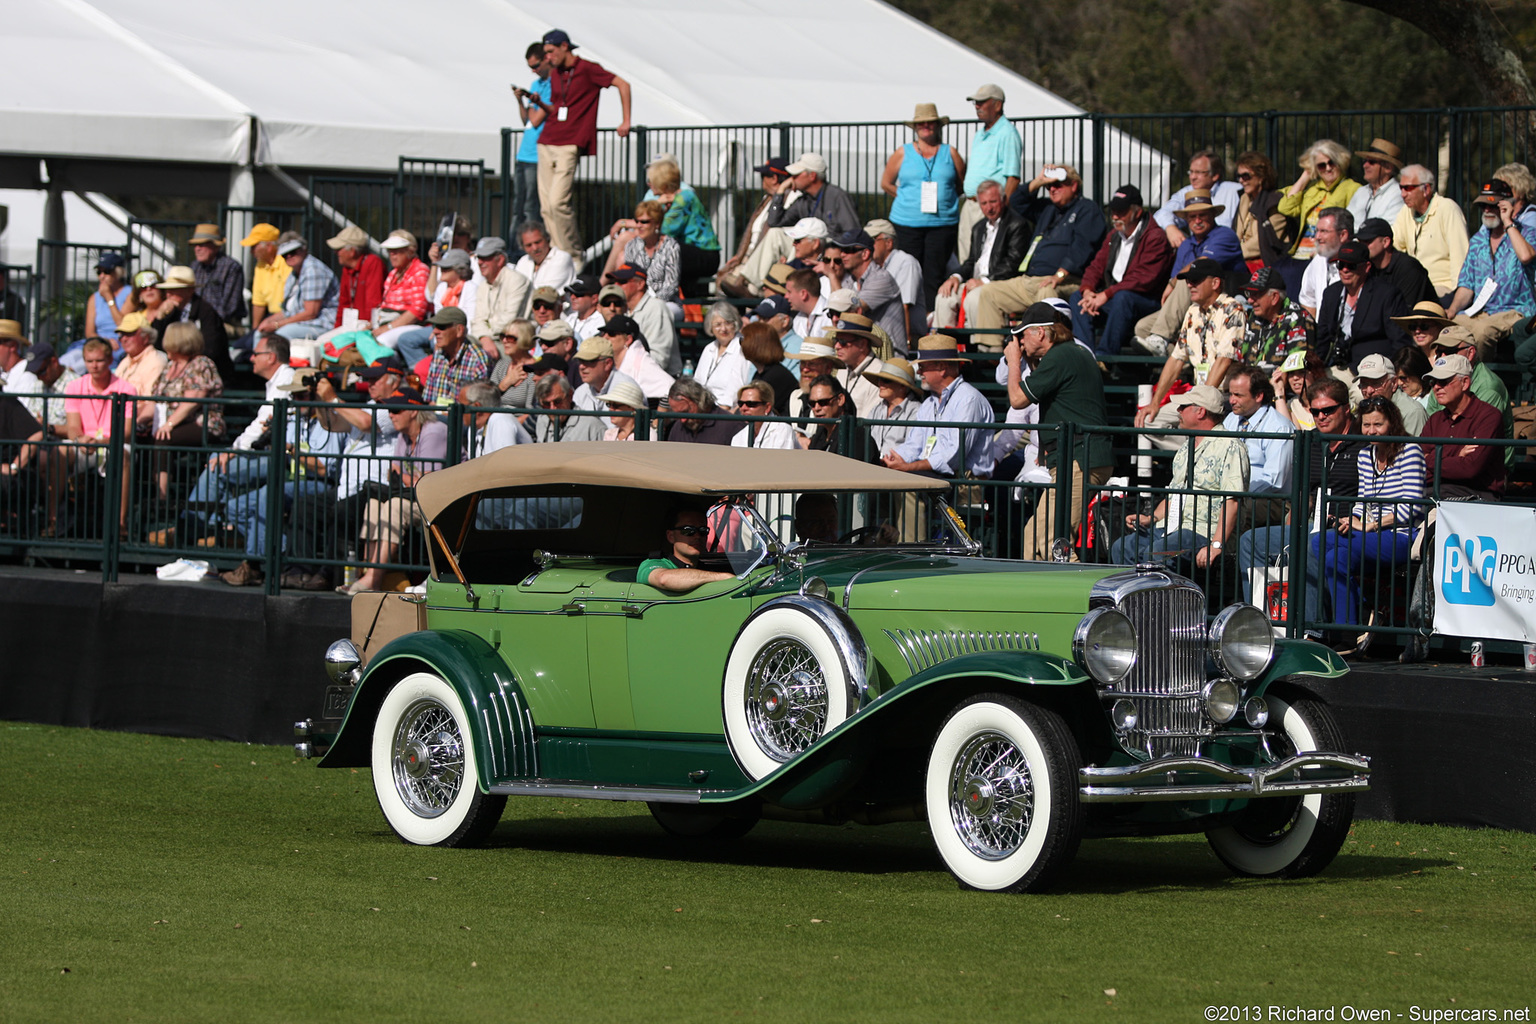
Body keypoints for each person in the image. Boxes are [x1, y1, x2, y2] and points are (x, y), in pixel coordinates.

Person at [1236, 377, 1365, 629]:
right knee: (1251, 541)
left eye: (1328, 410)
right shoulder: (1309, 441)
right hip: (1313, 523)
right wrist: (1292, 528)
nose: (1321, 416)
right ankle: (1262, 624)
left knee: (1310, 544)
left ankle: (1308, 631)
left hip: (1347, 528)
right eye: (1315, 411)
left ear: (1346, 408)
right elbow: (1303, 497)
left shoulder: (1365, 441)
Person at [1003, 303, 1113, 561]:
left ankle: (1079, 595)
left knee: (1052, 539)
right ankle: (1036, 600)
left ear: (1041, 332)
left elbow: (1018, 399)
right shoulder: (1069, 353)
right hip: (1072, 457)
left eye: (1022, 335)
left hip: (1078, 458)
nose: (1019, 342)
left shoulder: (1061, 355)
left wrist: (1013, 362)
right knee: (1034, 536)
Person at [219, 369, 347, 588]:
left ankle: (253, 564)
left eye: (302, 396)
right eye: (294, 396)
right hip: (292, 481)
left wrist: (291, 451)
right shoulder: (292, 419)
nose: (297, 401)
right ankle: (281, 548)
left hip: (321, 484)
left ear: (316, 395)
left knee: (267, 495)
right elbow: (275, 449)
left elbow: (326, 471)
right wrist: (272, 435)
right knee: (234, 507)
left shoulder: (331, 423)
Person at [1312, 395, 1425, 637]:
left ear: (1391, 424)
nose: (1371, 431)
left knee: (1324, 544)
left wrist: (1370, 525)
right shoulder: (1365, 456)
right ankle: (1353, 628)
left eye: (1378, 425)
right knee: (1331, 555)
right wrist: (1352, 520)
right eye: (1366, 425)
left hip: (1401, 535)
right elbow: (1362, 502)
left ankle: (1362, 613)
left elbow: (1413, 506)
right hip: (1371, 532)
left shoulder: (1410, 451)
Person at [1110, 385, 1249, 572]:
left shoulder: (1230, 446)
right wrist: (1152, 518)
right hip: (1172, 527)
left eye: (1183, 406)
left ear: (1200, 412)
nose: (1178, 411)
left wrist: (1216, 545)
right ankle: (1134, 599)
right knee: (1123, 547)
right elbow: (1175, 492)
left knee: (1159, 551)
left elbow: (1232, 501)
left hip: (1204, 532)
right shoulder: (1186, 447)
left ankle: (1161, 601)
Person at [973, 164, 1106, 340]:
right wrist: (1038, 181)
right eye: (1048, 186)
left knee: (1047, 294)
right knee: (989, 292)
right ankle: (990, 354)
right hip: (1030, 280)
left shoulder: (1087, 209)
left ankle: (1046, 352)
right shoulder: (1048, 209)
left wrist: (1059, 275)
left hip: (1065, 280)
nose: (1052, 189)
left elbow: (1082, 249)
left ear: (1074, 185)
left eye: (1058, 184)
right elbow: (1016, 201)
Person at [533, 29, 631, 260]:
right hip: (547, 140)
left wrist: (626, 120)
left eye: (550, 51)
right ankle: (557, 255)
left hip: (570, 142)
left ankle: (572, 255)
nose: (547, 57)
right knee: (546, 207)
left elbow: (623, 84)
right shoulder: (555, 73)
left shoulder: (588, 69)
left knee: (558, 202)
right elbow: (558, 106)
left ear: (564, 46)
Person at [340, 387, 447, 594]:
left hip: (438, 501)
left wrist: (404, 477)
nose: (390, 415)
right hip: (414, 497)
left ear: (414, 411)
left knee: (394, 506)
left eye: (396, 411)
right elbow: (395, 475)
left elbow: (426, 482)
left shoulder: (433, 431)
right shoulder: (403, 436)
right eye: (389, 410)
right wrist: (407, 478)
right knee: (373, 504)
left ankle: (373, 578)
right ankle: (370, 576)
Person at [1135, 259, 1247, 448]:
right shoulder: (1192, 311)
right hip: (1197, 395)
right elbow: (1176, 359)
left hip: (1223, 396)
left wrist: (1202, 401)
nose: (1189, 285)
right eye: (1188, 280)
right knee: (1149, 422)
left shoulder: (1232, 308)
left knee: (1196, 422)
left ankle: (1204, 449)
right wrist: (1155, 403)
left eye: (1196, 280)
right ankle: (1200, 450)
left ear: (1215, 283)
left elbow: (1224, 361)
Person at [1130, 188, 1243, 357]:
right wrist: (1172, 284)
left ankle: (1161, 338)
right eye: (1192, 216)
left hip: (1222, 302)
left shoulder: (1225, 235)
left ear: (1212, 215)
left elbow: (1200, 266)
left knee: (1189, 276)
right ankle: (1185, 358)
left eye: (1202, 215)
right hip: (1191, 305)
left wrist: (1171, 283)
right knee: (1142, 328)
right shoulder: (1185, 244)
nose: (1197, 221)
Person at [1070, 184, 1173, 358]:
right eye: (1113, 211)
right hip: (1116, 298)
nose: (1116, 216)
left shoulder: (1156, 237)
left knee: (1123, 298)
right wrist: (1088, 290)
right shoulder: (1114, 236)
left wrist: (1107, 294)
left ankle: (1105, 357)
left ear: (1137, 212)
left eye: (1122, 212)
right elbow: (1096, 266)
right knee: (1077, 298)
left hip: (1145, 301)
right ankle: (1086, 357)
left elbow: (1143, 279)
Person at [881, 103, 965, 310]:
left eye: (930, 122)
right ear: (915, 127)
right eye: (921, 123)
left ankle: (931, 317)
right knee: (909, 271)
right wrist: (904, 196)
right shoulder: (903, 152)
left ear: (938, 125)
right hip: (906, 223)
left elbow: (962, 184)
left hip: (943, 223)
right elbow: (886, 183)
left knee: (934, 274)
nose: (926, 126)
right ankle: (908, 317)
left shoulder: (950, 153)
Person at [883, 334, 994, 479]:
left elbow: (954, 456)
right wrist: (893, 460)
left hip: (964, 483)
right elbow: (913, 444)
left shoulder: (968, 399)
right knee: (890, 482)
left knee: (901, 489)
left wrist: (909, 467)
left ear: (941, 368)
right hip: (935, 477)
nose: (919, 372)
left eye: (922, 367)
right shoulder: (929, 403)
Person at [61, 339, 137, 537]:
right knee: (58, 453)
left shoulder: (126, 389)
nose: (94, 366)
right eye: (89, 361)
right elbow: (72, 428)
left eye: (99, 361)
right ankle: (54, 519)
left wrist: (99, 442)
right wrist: (81, 440)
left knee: (123, 455)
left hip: (111, 443)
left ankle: (120, 522)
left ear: (110, 360)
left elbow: (127, 432)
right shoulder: (74, 386)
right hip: (85, 444)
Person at [142, 321, 225, 500]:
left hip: (201, 423)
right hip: (167, 422)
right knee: (139, 436)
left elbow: (193, 400)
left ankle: (161, 498)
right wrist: (138, 422)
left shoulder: (201, 363)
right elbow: (155, 400)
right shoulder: (169, 367)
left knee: (163, 439)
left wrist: (169, 424)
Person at [1447, 178, 1536, 343]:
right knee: (1448, 330)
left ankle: (1480, 369)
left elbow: (1525, 256)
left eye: (1493, 206)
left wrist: (1508, 221)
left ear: (1507, 206)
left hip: (1515, 310)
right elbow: (1467, 286)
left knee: (1482, 332)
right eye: (1483, 206)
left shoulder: (1526, 233)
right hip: (1482, 312)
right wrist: (1452, 310)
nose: (1487, 210)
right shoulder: (1477, 241)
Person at [935, 179, 1029, 332]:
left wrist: (984, 281)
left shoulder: (1017, 224)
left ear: (1003, 200)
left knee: (975, 299)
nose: (989, 208)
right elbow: (971, 261)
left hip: (999, 283)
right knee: (944, 297)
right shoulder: (978, 227)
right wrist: (956, 277)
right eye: (984, 203)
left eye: (993, 202)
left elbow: (1013, 263)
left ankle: (976, 349)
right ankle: (943, 348)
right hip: (975, 282)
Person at [1316, 239, 1409, 372]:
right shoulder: (1331, 293)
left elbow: (1400, 341)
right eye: (1341, 265)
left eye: (1351, 266)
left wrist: (1396, 373)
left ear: (1366, 267)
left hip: (1375, 370)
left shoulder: (1386, 294)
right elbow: (1322, 339)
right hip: (1337, 366)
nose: (1345, 270)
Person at [1420, 353, 1505, 500]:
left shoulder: (1488, 416)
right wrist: (1457, 456)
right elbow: (1417, 464)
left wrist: (1432, 459)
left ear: (1465, 383)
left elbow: (1470, 469)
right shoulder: (1435, 419)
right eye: (1433, 382)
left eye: (1443, 381)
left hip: (1477, 497)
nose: (1436, 387)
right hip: (1435, 492)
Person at [957, 84, 1022, 264]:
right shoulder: (980, 134)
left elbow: (1013, 177)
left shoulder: (1007, 133)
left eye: (982, 102)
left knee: (983, 258)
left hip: (988, 208)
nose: (977, 106)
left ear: (997, 105)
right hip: (970, 204)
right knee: (966, 258)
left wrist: (1001, 208)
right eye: (976, 103)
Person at [1278, 139, 1361, 269]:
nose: (1328, 168)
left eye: (1331, 163)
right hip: (1299, 255)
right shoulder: (1312, 190)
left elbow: (1354, 226)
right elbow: (1285, 208)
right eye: (1321, 165)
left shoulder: (1352, 188)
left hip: (1326, 257)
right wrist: (1306, 175)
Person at [1391, 165, 1468, 303]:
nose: (1403, 194)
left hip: (1443, 288)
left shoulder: (1447, 209)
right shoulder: (1406, 212)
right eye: (1400, 188)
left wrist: (1458, 298)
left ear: (1426, 189)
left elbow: (1460, 258)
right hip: (1414, 285)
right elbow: (1394, 246)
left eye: (1408, 188)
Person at [718, 157, 793, 297]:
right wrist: (740, 256)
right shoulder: (766, 199)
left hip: (763, 259)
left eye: (763, 176)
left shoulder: (789, 199)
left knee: (732, 289)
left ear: (774, 178)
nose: (761, 179)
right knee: (723, 285)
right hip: (749, 256)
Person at [148, 264, 234, 383]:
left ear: (189, 290)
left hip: (202, 372)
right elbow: (155, 343)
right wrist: (159, 317)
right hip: (175, 368)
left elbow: (212, 349)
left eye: (174, 290)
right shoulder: (169, 312)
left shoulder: (206, 312)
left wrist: (186, 363)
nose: (168, 294)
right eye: (167, 290)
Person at [832, 230, 907, 353]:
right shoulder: (849, 281)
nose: (843, 254)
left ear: (865, 254)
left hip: (891, 353)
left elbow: (847, 311)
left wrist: (831, 275)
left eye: (849, 250)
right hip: (863, 351)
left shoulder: (881, 278)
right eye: (842, 250)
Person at [1152, 150, 1243, 248]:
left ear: (1215, 175)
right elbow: (1161, 214)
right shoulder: (1187, 192)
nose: (1192, 177)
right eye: (1191, 172)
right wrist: (1171, 228)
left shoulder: (1234, 191)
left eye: (1199, 172)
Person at [637, 507, 737, 592]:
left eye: (703, 530)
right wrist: (722, 577)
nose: (697, 536)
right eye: (688, 530)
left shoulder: (706, 569)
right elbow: (663, 579)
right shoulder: (652, 564)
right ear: (671, 536)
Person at [765, 152, 861, 240]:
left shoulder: (837, 196)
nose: (792, 178)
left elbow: (852, 232)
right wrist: (781, 190)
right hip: (807, 246)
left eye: (796, 174)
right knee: (775, 233)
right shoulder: (803, 200)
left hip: (829, 250)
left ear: (812, 176)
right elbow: (774, 222)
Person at [372, 230, 434, 367]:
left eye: (397, 251)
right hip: (387, 322)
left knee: (382, 342)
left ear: (410, 251)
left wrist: (388, 327)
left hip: (412, 325)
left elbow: (418, 310)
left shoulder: (420, 270)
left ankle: (392, 374)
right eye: (390, 251)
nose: (392, 255)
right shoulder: (393, 274)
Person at [260, 237, 340, 342]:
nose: (289, 256)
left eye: (293, 252)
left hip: (322, 324)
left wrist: (276, 325)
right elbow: (290, 311)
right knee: (260, 333)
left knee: (280, 336)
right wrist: (268, 321)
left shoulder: (313, 270)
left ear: (304, 250)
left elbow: (310, 313)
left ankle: (275, 358)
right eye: (284, 255)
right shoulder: (294, 273)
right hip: (303, 322)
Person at [509, 42, 551, 236]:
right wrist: (521, 100)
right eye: (530, 68)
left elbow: (535, 120)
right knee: (517, 205)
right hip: (523, 154)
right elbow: (527, 119)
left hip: (537, 157)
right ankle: (515, 243)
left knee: (530, 206)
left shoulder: (552, 86)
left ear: (546, 60)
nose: (534, 71)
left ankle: (531, 243)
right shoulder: (536, 85)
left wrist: (533, 102)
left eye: (536, 66)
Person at [468, 236, 532, 363]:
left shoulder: (516, 280)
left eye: (486, 258)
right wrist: (484, 338)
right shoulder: (483, 285)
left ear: (500, 260)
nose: (480, 262)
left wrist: (485, 336)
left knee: (474, 354)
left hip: (512, 343)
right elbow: (477, 320)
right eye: (478, 258)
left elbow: (508, 322)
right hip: (488, 341)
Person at [604, 200, 681, 305]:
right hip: (636, 300)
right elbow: (630, 278)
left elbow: (671, 285)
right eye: (637, 221)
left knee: (658, 313)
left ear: (657, 224)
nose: (639, 225)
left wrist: (652, 303)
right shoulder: (631, 246)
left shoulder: (671, 246)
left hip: (665, 302)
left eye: (644, 222)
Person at [1231, 151, 1294, 275]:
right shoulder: (1244, 199)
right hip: (1241, 261)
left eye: (1246, 176)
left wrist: (1235, 253)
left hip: (1266, 265)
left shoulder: (1274, 202)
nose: (1241, 181)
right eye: (1238, 176)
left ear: (1261, 176)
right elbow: (1237, 233)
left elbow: (1264, 241)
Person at [1237, 267, 1313, 370]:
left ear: (1274, 297)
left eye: (1256, 294)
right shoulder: (1254, 317)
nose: (1250, 300)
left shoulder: (1297, 319)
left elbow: (1297, 368)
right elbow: (1242, 358)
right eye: (1249, 294)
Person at [609, 264, 679, 374]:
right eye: (614, 282)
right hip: (631, 377)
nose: (616, 285)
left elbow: (659, 360)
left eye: (622, 282)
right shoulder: (623, 310)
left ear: (640, 284)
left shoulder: (656, 308)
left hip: (658, 383)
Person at [1356, 217, 1436, 309]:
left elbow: (1405, 311)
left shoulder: (1408, 268)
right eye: (1360, 242)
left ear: (1386, 242)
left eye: (1367, 241)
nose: (1362, 247)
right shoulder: (1367, 267)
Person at [325, 224, 386, 335]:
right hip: (350, 325)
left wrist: (368, 328)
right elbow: (343, 303)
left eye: (339, 249)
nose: (336, 253)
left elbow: (373, 302)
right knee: (325, 344)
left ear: (352, 251)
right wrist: (337, 329)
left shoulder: (373, 263)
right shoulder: (347, 269)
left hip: (366, 326)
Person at [421, 307, 489, 406]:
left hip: (462, 419)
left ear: (459, 330)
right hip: (436, 417)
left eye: (441, 327)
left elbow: (479, 406)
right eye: (434, 326)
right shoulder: (438, 355)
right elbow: (429, 398)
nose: (435, 331)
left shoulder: (478, 359)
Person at [600, 314, 673, 403]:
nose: (605, 337)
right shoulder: (611, 361)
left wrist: (659, 415)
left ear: (628, 340)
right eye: (604, 333)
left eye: (612, 334)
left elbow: (671, 388)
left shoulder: (642, 363)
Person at [695, 301, 754, 408]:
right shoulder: (709, 348)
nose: (723, 329)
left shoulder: (742, 347)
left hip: (725, 411)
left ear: (735, 324)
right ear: (711, 327)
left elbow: (735, 389)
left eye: (728, 323)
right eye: (718, 324)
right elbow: (698, 382)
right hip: (703, 408)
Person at [1297, 207, 1352, 318]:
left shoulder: (1360, 264)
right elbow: (1308, 300)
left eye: (1324, 231)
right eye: (1317, 231)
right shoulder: (1318, 261)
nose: (1317, 237)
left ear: (1343, 235)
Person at [187, 223, 246, 325]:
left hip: (225, 324)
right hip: (196, 322)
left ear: (216, 247)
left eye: (202, 244)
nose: (197, 249)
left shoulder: (231, 267)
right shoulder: (194, 266)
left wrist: (204, 321)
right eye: (195, 245)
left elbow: (228, 308)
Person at [863, 359, 921, 460]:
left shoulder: (916, 411)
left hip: (898, 471)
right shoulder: (877, 409)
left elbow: (913, 448)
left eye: (886, 380)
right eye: (879, 379)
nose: (880, 384)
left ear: (902, 385)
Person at [1354, 352, 1426, 435]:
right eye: (1364, 385)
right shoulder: (1363, 409)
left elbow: (1413, 447)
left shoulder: (1412, 412)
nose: (1369, 391)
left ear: (1394, 383)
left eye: (1376, 383)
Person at [240, 224, 290, 340]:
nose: (251, 251)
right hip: (271, 316)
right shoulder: (260, 265)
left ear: (268, 247)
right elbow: (259, 302)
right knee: (243, 345)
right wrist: (254, 329)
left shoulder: (286, 262)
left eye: (254, 246)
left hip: (287, 316)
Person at [460, 381, 533, 456]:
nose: (460, 411)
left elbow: (505, 463)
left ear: (476, 406)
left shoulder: (500, 420)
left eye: (462, 407)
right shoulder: (473, 426)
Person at [1346, 139, 1407, 227]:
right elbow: (1346, 222)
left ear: (1388, 168)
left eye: (1371, 162)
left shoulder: (1398, 194)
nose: (1365, 165)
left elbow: (1387, 229)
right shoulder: (1361, 192)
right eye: (1364, 161)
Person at [660, 377, 736, 446]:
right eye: (677, 416)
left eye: (685, 412)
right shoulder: (677, 428)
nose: (682, 420)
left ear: (700, 401)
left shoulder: (731, 426)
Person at [739, 321, 794, 414]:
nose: (741, 344)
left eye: (743, 340)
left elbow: (760, 410)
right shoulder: (760, 374)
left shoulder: (776, 376)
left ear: (755, 345)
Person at [570, 336, 637, 412]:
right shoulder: (580, 392)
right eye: (580, 361)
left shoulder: (627, 389)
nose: (581, 366)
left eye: (589, 361)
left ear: (608, 363)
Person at [512, 222, 577, 300]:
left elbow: (546, 293)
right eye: (529, 245)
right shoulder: (523, 262)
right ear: (523, 247)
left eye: (538, 242)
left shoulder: (561, 258)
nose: (535, 248)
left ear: (547, 239)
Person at [535, 373, 605, 442]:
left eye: (557, 401)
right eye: (546, 404)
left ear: (570, 396)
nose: (552, 408)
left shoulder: (592, 426)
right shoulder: (542, 419)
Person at [112, 315, 167, 401]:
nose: (124, 339)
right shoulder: (125, 361)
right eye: (122, 335)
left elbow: (148, 403)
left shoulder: (156, 362)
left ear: (146, 337)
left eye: (129, 334)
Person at [730, 382, 795, 449]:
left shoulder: (783, 430)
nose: (743, 408)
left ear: (767, 408)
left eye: (751, 404)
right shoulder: (738, 437)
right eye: (740, 403)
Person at [802, 374, 855, 453]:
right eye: (812, 404)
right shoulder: (819, 436)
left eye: (823, 402)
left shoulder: (854, 436)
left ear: (840, 400)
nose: (816, 408)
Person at [430, 249, 479, 336]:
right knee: (407, 339)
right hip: (441, 330)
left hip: (462, 333)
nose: (442, 270)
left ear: (460, 270)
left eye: (446, 268)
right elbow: (438, 316)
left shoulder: (471, 288)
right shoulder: (441, 288)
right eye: (441, 267)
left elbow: (470, 320)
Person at [562, 275, 603, 341]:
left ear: (594, 298)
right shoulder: (570, 319)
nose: (572, 297)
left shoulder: (601, 322)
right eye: (571, 293)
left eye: (578, 294)